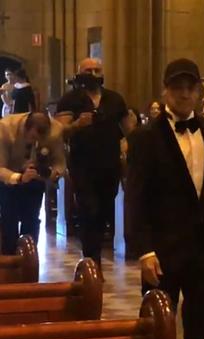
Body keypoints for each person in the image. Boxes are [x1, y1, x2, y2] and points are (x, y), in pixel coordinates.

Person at [124, 58, 204, 339]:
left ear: (198, 92)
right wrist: (144, 250)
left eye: (190, 88)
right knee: (157, 333)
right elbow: (135, 197)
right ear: (165, 91)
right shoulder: (145, 137)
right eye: (177, 88)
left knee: (200, 333)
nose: (184, 94)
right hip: (163, 250)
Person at [55, 58, 128, 275]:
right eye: (89, 70)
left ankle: (93, 259)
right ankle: (91, 264)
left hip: (110, 164)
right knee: (89, 210)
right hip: (82, 164)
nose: (93, 74)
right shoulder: (70, 99)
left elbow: (127, 128)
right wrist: (77, 124)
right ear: (79, 73)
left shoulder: (114, 99)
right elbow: (58, 130)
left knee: (104, 211)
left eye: (97, 70)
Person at [0, 112, 65, 254]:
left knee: (32, 222)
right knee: (8, 222)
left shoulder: (56, 130)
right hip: (8, 178)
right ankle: (9, 262)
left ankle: (29, 260)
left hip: (35, 180)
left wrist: (50, 173)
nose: (37, 142)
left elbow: (60, 163)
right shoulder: (5, 129)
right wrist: (19, 177)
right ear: (26, 129)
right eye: (34, 137)